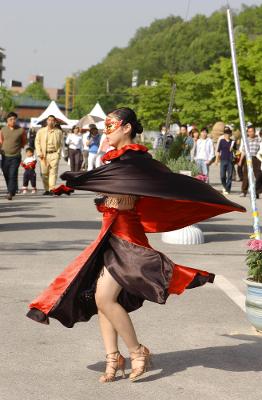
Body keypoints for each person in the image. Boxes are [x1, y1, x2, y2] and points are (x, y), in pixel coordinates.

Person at [27, 107, 245, 383]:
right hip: (108, 234)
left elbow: (134, 194)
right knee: (101, 299)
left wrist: (85, 183)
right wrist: (80, 184)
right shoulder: (116, 162)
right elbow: (108, 190)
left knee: (104, 298)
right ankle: (113, 357)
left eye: (111, 125)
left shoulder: (136, 161)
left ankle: (137, 351)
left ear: (127, 127)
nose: (107, 130)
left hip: (126, 239)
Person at [0, 111, 27, 200]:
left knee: (12, 174)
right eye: (11, 119)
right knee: (6, 174)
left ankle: (10, 192)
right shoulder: (3, 130)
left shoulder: (21, 130)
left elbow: (24, 142)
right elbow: (0, 142)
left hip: (15, 156)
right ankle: (12, 189)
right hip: (4, 156)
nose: (13, 121)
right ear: (7, 120)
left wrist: (19, 148)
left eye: (14, 119)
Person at [35, 115, 63, 195]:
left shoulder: (58, 132)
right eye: (49, 120)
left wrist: (58, 154)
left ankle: (51, 189)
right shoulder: (41, 131)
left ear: (55, 122)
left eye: (52, 120)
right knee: (44, 173)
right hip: (44, 155)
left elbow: (61, 144)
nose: (50, 121)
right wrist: (39, 153)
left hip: (54, 154)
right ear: (47, 121)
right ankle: (46, 189)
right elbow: (37, 142)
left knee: (53, 172)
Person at [238, 125, 261, 197]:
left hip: (256, 158)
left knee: (258, 175)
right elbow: (244, 151)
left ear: (255, 132)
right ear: (247, 132)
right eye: (249, 131)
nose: (251, 133)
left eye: (252, 131)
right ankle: (243, 191)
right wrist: (240, 161)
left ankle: (256, 192)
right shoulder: (246, 140)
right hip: (247, 159)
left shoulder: (259, 139)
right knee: (246, 175)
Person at [216, 126, 236, 195]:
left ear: (230, 135)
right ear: (224, 135)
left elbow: (236, 151)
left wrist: (232, 149)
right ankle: (225, 187)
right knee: (222, 176)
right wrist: (216, 160)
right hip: (223, 160)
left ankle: (227, 189)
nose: (227, 135)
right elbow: (218, 150)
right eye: (225, 134)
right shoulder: (222, 141)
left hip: (230, 160)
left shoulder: (233, 142)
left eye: (228, 134)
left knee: (230, 176)